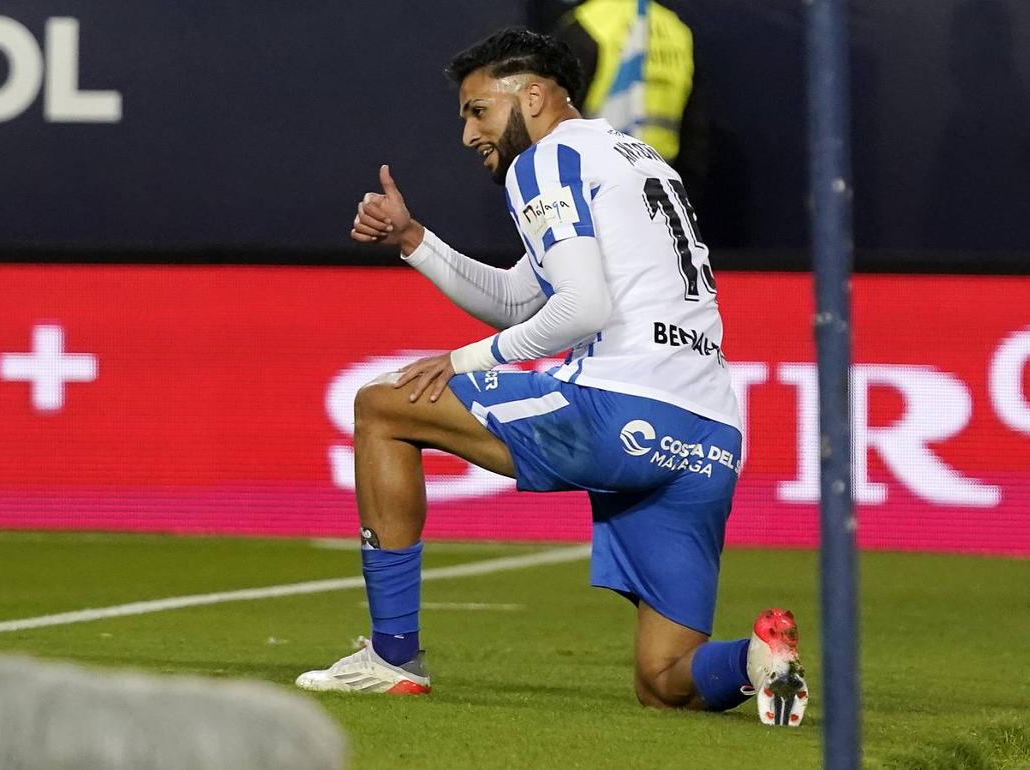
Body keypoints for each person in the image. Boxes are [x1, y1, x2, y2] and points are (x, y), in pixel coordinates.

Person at [295, 28, 808, 725]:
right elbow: (520, 297)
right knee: (664, 680)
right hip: (708, 437)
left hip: (622, 407)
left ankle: (392, 659)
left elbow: (582, 308)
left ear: (533, 96)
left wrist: (463, 359)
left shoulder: (544, 161)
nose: (469, 134)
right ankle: (759, 659)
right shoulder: (636, 157)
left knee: (383, 407)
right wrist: (414, 240)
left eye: (478, 111)